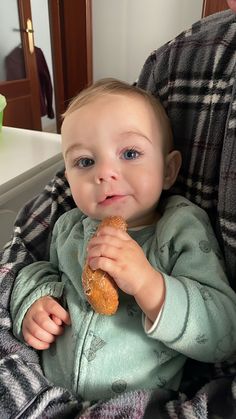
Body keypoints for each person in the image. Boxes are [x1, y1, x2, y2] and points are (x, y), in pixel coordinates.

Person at [10, 78, 236, 402]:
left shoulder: (180, 228)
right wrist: (36, 300)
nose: (104, 173)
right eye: (85, 161)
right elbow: (39, 269)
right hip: (50, 395)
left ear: (169, 170)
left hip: (136, 405)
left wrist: (149, 285)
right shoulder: (68, 226)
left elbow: (225, 330)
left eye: (130, 153)